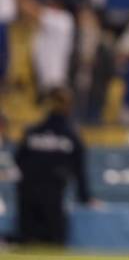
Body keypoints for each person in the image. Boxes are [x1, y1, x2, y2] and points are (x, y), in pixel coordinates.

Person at [14, 89, 92, 244]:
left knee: (27, 242)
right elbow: (79, 169)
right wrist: (84, 197)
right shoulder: (70, 135)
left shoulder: (33, 132)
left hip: (28, 193)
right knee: (54, 243)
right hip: (52, 195)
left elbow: (19, 159)